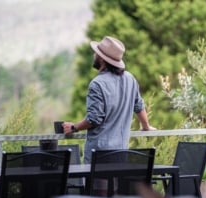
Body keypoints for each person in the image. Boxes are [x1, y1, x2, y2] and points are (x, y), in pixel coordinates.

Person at [63, 36, 156, 164]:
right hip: (121, 154)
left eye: (96, 53)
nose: (94, 55)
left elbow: (94, 119)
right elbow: (139, 106)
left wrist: (74, 127)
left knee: (96, 185)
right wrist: (146, 126)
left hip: (99, 156)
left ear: (101, 58)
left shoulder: (97, 84)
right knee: (116, 184)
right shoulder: (130, 79)